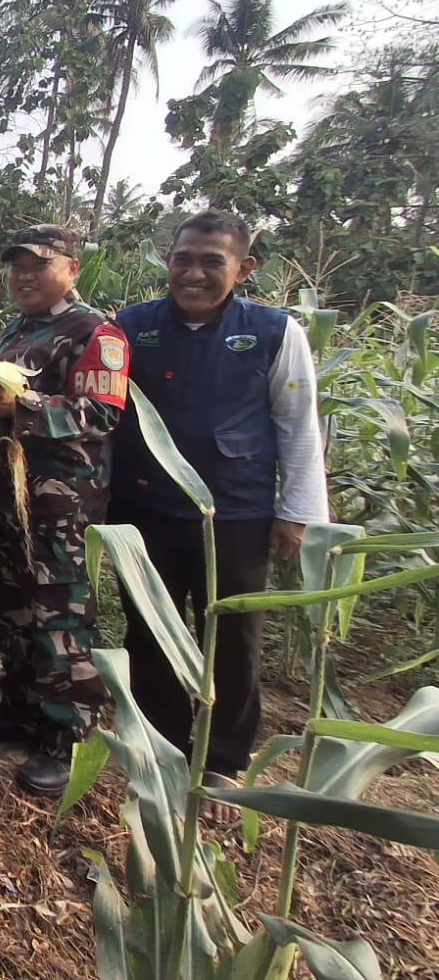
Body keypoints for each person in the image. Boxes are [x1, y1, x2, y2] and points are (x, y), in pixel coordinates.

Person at [110, 210, 329, 806]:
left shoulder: (275, 332)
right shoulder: (131, 327)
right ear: (168, 261)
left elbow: (298, 425)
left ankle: (225, 759)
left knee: (233, 638)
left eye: (212, 262)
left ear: (244, 267)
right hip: (146, 508)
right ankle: (159, 745)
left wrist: (296, 512)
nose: (194, 274)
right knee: (149, 631)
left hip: (235, 512)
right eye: (183, 259)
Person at [0, 224, 129, 797]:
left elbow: (102, 413)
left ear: (71, 268)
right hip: (4, 498)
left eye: (38, 265)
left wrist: (24, 403)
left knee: (59, 615)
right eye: (16, 267)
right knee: (10, 608)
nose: (24, 276)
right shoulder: (13, 330)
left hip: (59, 505)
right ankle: (17, 711)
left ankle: (65, 741)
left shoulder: (95, 332)